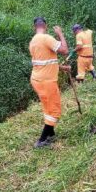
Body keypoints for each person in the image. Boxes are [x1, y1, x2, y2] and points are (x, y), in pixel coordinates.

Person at [29, 17, 70, 148]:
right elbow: (64, 51)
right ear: (46, 26)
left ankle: (51, 134)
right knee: (54, 110)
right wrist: (60, 34)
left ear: (34, 27)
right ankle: (41, 141)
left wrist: (63, 68)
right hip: (46, 81)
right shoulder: (46, 38)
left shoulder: (33, 42)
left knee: (48, 106)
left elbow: (44, 63)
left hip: (37, 79)